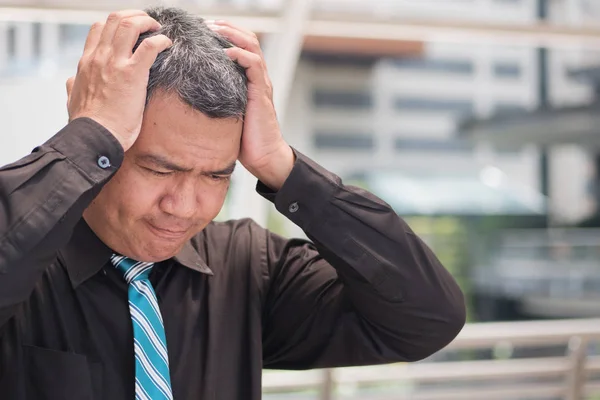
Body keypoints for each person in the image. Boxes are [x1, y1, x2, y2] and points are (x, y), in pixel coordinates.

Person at [0, 7, 465, 400]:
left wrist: (283, 166)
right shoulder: (26, 265)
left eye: (216, 175)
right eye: (159, 170)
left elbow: (426, 319)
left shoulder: (248, 266)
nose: (184, 207)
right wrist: (85, 136)